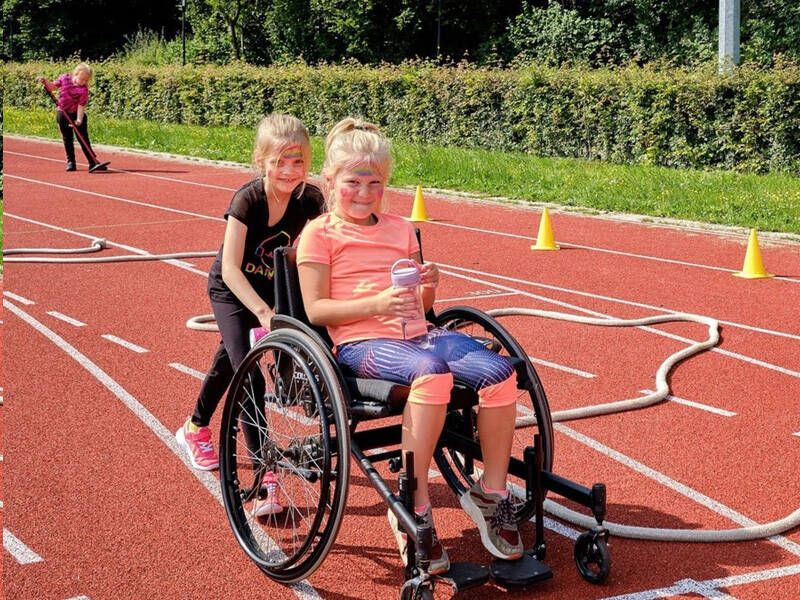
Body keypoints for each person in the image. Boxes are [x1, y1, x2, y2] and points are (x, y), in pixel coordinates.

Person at [296, 118, 524, 573]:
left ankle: (490, 492)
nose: (364, 192)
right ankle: (414, 502)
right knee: (432, 375)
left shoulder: (401, 229)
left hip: (419, 334)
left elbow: (421, 304)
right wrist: (376, 301)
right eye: (353, 182)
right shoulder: (319, 234)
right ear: (329, 181)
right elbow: (317, 310)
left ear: (387, 183)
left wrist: (430, 285)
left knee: (502, 375)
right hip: (362, 344)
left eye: (375, 183)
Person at [176, 114, 325, 516]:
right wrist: (262, 312)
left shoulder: (310, 201)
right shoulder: (247, 200)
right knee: (248, 375)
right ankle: (265, 482)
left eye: (298, 162)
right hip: (232, 289)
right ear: (261, 159)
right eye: (280, 162)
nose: (289, 171)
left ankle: (194, 427)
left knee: (230, 358)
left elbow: (320, 250)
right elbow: (229, 267)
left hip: (270, 290)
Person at [36, 63, 107, 172]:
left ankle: (92, 162)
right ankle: (71, 162)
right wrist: (45, 81)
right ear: (76, 73)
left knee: (83, 138)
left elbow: (81, 106)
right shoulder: (65, 78)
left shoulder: (84, 90)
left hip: (76, 114)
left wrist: (79, 119)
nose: (83, 82)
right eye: (82, 79)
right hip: (63, 113)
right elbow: (52, 87)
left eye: (86, 81)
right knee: (67, 138)